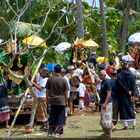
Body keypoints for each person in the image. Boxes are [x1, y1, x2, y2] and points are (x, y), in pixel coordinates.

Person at [46, 65, 68, 138]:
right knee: (60, 117)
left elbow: (47, 91)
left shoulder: (50, 79)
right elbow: (66, 92)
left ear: (54, 71)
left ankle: (50, 132)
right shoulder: (64, 80)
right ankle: (58, 133)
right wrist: (66, 101)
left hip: (52, 101)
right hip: (61, 101)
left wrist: (47, 100)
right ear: (61, 71)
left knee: (52, 116)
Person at [117, 60, 136, 130]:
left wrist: (127, 91)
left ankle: (126, 126)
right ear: (128, 68)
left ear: (122, 68)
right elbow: (134, 86)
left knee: (123, 110)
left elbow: (120, 85)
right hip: (131, 94)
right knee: (131, 109)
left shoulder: (119, 75)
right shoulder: (132, 76)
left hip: (122, 94)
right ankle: (133, 125)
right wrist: (133, 94)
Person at [99, 70, 112, 138]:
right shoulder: (103, 82)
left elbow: (109, 93)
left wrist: (105, 103)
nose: (100, 76)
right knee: (103, 119)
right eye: (100, 75)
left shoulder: (107, 82)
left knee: (107, 119)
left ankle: (108, 134)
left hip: (107, 103)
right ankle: (105, 133)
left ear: (105, 75)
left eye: (101, 75)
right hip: (102, 102)